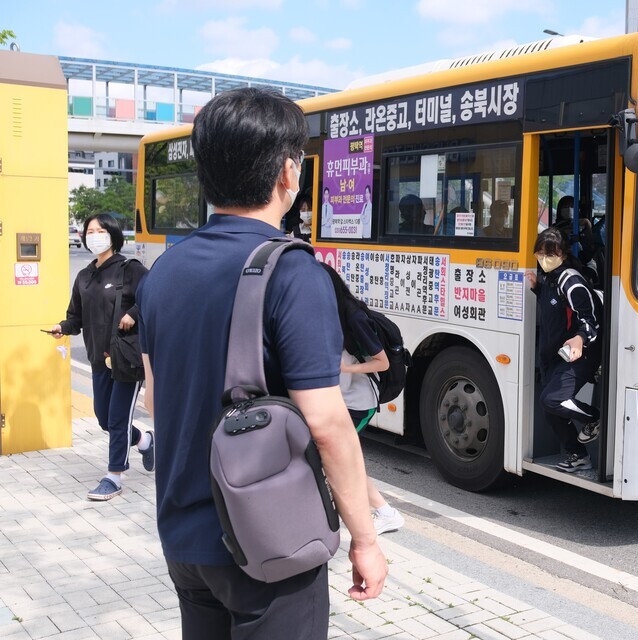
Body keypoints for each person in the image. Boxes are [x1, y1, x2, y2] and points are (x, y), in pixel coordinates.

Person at [136, 87, 386, 639]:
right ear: (288, 173)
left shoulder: (163, 272)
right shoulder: (293, 273)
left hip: (185, 540)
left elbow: (155, 400)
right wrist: (365, 539)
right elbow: (325, 422)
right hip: (268, 543)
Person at [49, 214, 153, 501]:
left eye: (100, 230)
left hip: (125, 360)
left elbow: (154, 297)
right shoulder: (85, 276)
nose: (94, 235)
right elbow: (76, 317)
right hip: (98, 359)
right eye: (89, 231)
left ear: (113, 234)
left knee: (118, 419)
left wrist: (133, 314)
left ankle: (114, 476)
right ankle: (145, 440)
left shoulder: (130, 270)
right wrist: (63, 327)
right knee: (104, 419)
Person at [319, 262, 405, 535]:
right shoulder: (332, 313)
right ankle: (381, 512)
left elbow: (382, 363)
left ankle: (385, 513)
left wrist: (347, 368)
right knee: (344, 458)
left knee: (340, 458)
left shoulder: (354, 317)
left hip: (360, 403)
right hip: (343, 399)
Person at [524, 228, 602, 473]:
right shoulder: (549, 277)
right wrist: (537, 288)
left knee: (552, 399)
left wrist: (580, 339)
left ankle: (594, 417)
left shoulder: (571, 279)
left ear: (562, 253)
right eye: (541, 252)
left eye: (551, 253)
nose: (544, 257)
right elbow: (556, 309)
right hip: (552, 355)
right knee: (551, 410)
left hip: (578, 354)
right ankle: (578, 456)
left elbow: (590, 318)